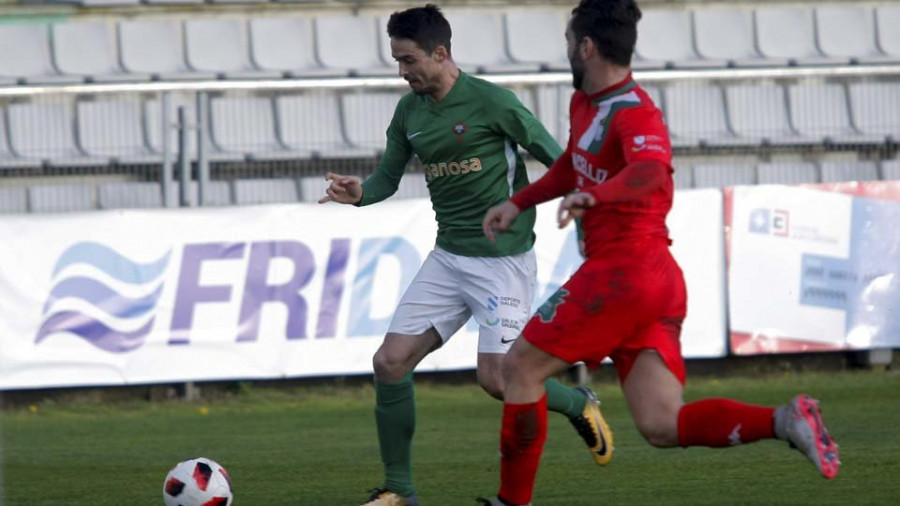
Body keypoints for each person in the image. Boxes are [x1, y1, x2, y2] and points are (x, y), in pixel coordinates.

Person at [478, 1, 841, 504]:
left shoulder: (634, 111)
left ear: (585, 46)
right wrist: (520, 202)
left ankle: (510, 502)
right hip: (652, 282)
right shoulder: (586, 103)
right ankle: (786, 419)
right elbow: (573, 163)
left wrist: (595, 196)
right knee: (661, 424)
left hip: (624, 273)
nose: (566, 52)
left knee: (517, 368)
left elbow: (651, 170)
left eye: (568, 42)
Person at [318, 5, 614, 506]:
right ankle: (399, 491)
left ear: (440, 54)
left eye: (409, 60)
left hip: (503, 262)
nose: (402, 72)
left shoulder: (492, 102)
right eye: (396, 60)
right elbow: (387, 179)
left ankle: (575, 401)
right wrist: (360, 192)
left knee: (498, 381)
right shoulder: (408, 113)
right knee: (389, 363)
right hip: (449, 256)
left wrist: (589, 207)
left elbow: (558, 159)